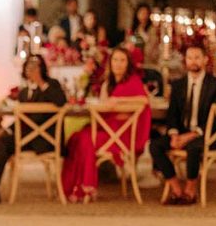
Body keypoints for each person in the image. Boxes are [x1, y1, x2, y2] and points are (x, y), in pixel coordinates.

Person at [0, 56, 67, 205]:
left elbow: (61, 101)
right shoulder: (24, 92)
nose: (32, 69)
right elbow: (23, 120)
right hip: (26, 137)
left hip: (44, 140)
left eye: (36, 66)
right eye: (29, 66)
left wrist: (41, 82)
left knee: (2, 143)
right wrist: (4, 131)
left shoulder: (51, 85)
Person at [61, 47, 150, 202]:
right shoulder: (107, 84)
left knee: (85, 140)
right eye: (115, 60)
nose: (118, 64)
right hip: (108, 128)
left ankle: (85, 187)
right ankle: (74, 186)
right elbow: (103, 108)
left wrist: (118, 101)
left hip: (122, 135)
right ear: (110, 63)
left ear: (128, 63)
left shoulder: (133, 81)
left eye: (122, 60)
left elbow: (144, 100)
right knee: (76, 138)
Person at [149, 45, 216, 204]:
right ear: (185, 61)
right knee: (155, 146)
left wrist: (191, 135)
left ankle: (191, 189)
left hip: (207, 135)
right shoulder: (178, 85)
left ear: (205, 60)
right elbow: (172, 114)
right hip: (181, 132)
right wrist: (173, 134)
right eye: (190, 57)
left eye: (197, 57)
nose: (193, 61)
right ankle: (175, 187)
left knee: (193, 147)